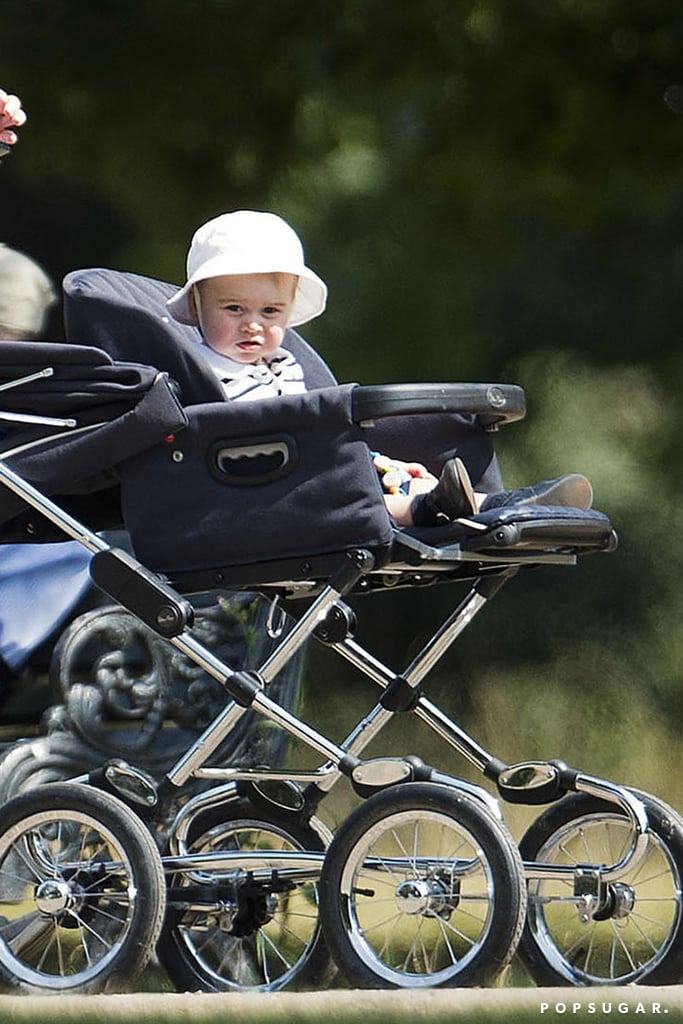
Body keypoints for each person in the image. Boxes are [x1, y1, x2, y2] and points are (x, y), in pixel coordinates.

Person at [166, 210, 593, 527]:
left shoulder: (284, 366)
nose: (253, 325)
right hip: (267, 494)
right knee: (368, 495)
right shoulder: (200, 368)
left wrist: (377, 463)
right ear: (198, 305)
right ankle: (447, 508)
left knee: (408, 479)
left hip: (317, 471)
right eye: (234, 308)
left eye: (271, 311)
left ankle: (500, 506)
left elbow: (317, 435)